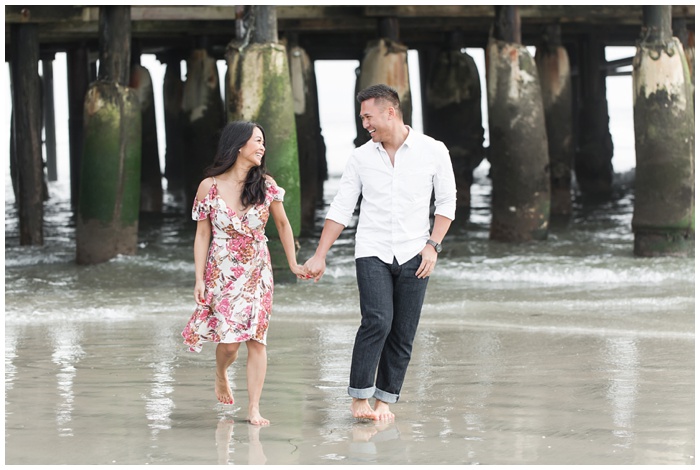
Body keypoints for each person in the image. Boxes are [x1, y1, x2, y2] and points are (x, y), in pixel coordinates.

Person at [303, 84, 457, 421]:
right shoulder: (360, 157)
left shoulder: (433, 150)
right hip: (371, 250)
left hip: (416, 252)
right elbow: (342, 207)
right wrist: (320, 254)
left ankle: (385, 400)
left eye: (368, 117)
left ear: (391, 112)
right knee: (377, 320)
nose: (365, 125)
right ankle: (359, 398)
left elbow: (447, 202)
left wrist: (433, 246)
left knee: (403, 331)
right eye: (361, 119)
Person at [181, 121, 307, 426]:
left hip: (257, 270)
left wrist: (292, 263)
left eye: (263, 142)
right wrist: (198, 278)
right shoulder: (208, 187)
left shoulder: (265, 186)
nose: (263, 147)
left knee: (256, 339)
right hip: (221, 270)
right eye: (257, 141)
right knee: (229, 343)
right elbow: (202, 235)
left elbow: (283, 225)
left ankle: (253, 408)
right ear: (239, 145)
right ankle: (221, 372)